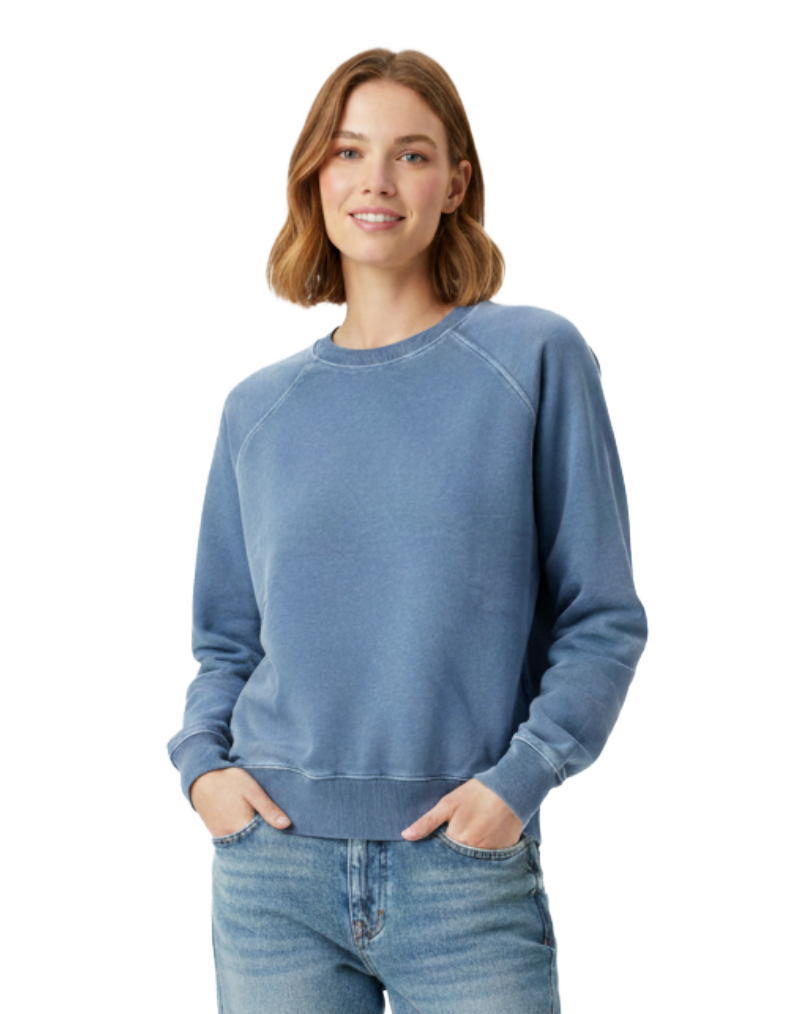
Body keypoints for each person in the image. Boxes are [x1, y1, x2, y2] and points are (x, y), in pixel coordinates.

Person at [167, 46, 648, 1014]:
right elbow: (227, 642)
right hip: (271, 879)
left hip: (463, 873)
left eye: (411, 154)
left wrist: (519, 783)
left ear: (455, 183)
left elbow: (601, 617)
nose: (376, 180)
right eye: (348, 152)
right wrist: (202, 772)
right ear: (314, 178)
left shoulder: (532, 359)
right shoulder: (257, 409)